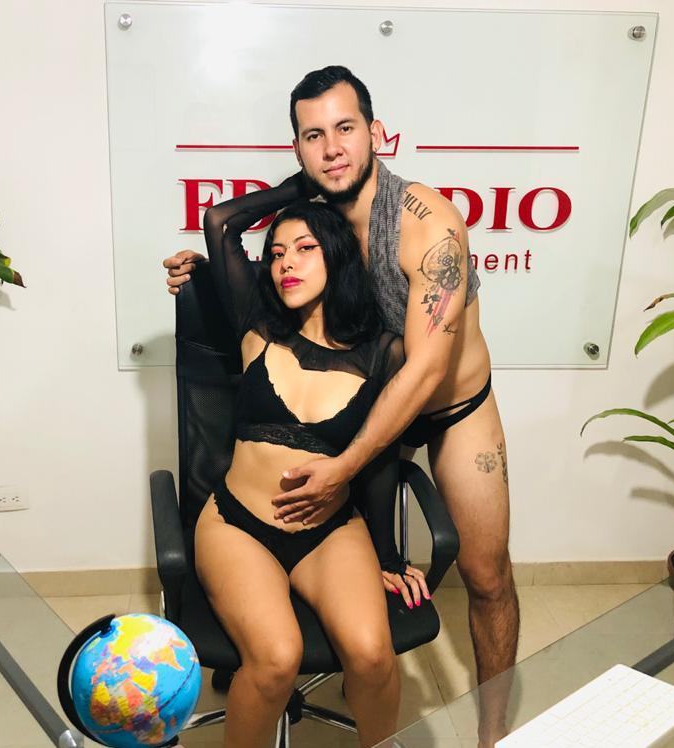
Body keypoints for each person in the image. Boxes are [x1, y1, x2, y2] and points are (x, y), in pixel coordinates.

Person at [165, 66, 518, 748]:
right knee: (296, 614)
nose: (332, 149)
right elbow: (282, 287)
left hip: (445, 402)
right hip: (358, 403)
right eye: (313, 137)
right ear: (296, 148)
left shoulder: (426, 224)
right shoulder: (321, 225)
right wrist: (204, 276)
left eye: (346, 129)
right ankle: (254, 637)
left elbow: (424, 369)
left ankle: (494, 735)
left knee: (485, 573)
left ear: (377, 133)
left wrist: (350, 468)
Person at [194, 178, 411, 748]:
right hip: (239, 527)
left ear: (337, 256)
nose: (285, 263)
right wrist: (303, 189)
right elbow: (220, 223)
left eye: (305, 248)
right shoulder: (257, 325)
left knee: (373, 656)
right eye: (276, 253)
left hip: (329, 531)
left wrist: (388, 554)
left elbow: (381, 456)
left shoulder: (383, 351)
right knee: (276, 660)